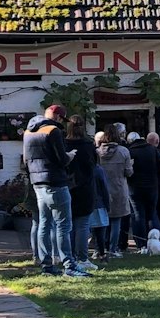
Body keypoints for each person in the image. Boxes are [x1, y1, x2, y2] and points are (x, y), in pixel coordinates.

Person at [24, 104, 83, 276]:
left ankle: (46, 266)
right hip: (55, 182)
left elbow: (26, 159)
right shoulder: (53, 131)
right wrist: (70, 155)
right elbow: (62, 159)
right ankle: (69, 265)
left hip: (37, 182)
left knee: (44, 223)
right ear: (57, 117)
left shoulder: (28, 132)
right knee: (63, 225)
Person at [63, 114, 100, 268]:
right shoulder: (88, 145)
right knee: (83, 224)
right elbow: (93, 166)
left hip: (68, 186)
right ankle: (82, 258)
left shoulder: (64, 144)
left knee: (69, 225)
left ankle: (70, 256)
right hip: (85, 187)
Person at [95, 126, 135, 257]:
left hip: (101, 190)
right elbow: (128, 172)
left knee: (101, 221)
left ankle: (100, 248)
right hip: (118, 189)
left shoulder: (97, 152)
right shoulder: (123, 151)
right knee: (116, 221)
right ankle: (113, 249)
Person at [128, 131, 160, 248]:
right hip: (152, 187)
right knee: (152, 214)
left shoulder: (130, 152)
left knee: (138, 216)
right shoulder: (152, 150)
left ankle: (141, 243)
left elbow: (128, 171)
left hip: (135, 188)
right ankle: (156, 240)